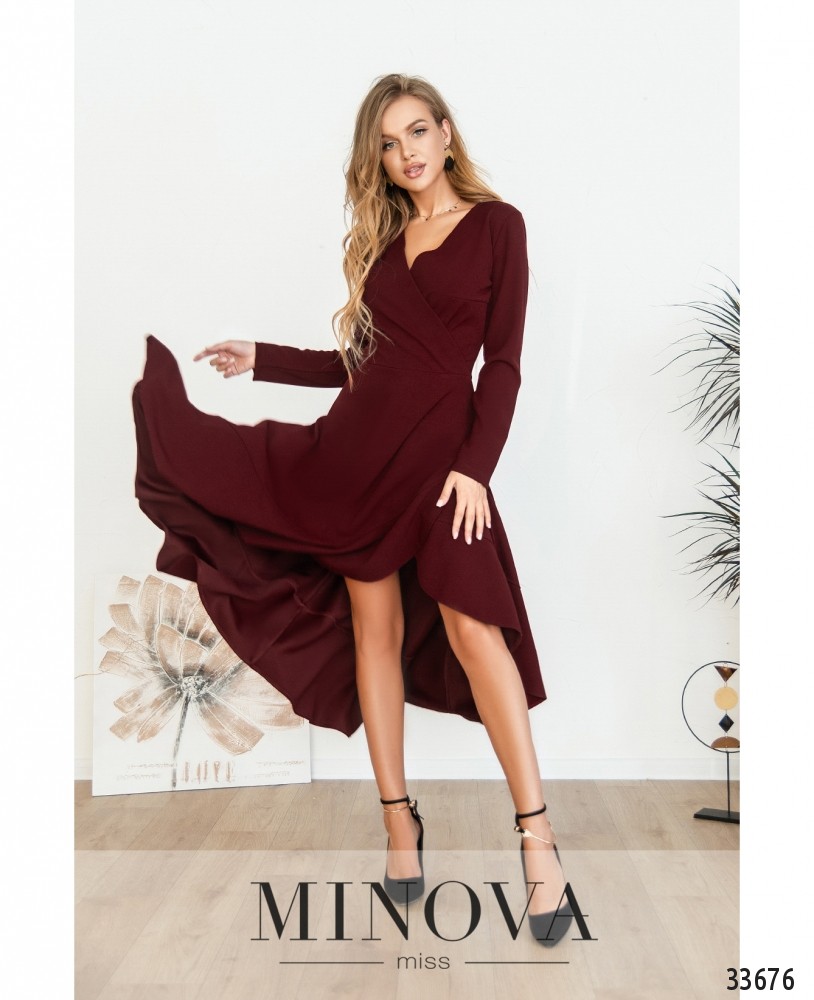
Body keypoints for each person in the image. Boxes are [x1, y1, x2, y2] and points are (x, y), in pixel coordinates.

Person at [132, 73, 572, 945]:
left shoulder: (498, 226)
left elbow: (503, 365)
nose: (406, 153)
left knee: (473, 627)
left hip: (444, 469)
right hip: (356, 462)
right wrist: (263, 357)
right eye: (388, 143)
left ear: (446, 132)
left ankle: (537, 839)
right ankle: (398, 823)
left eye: (417, 132)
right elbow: (366, 365)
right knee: (374, 633)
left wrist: (476, 470)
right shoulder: (385, 244)